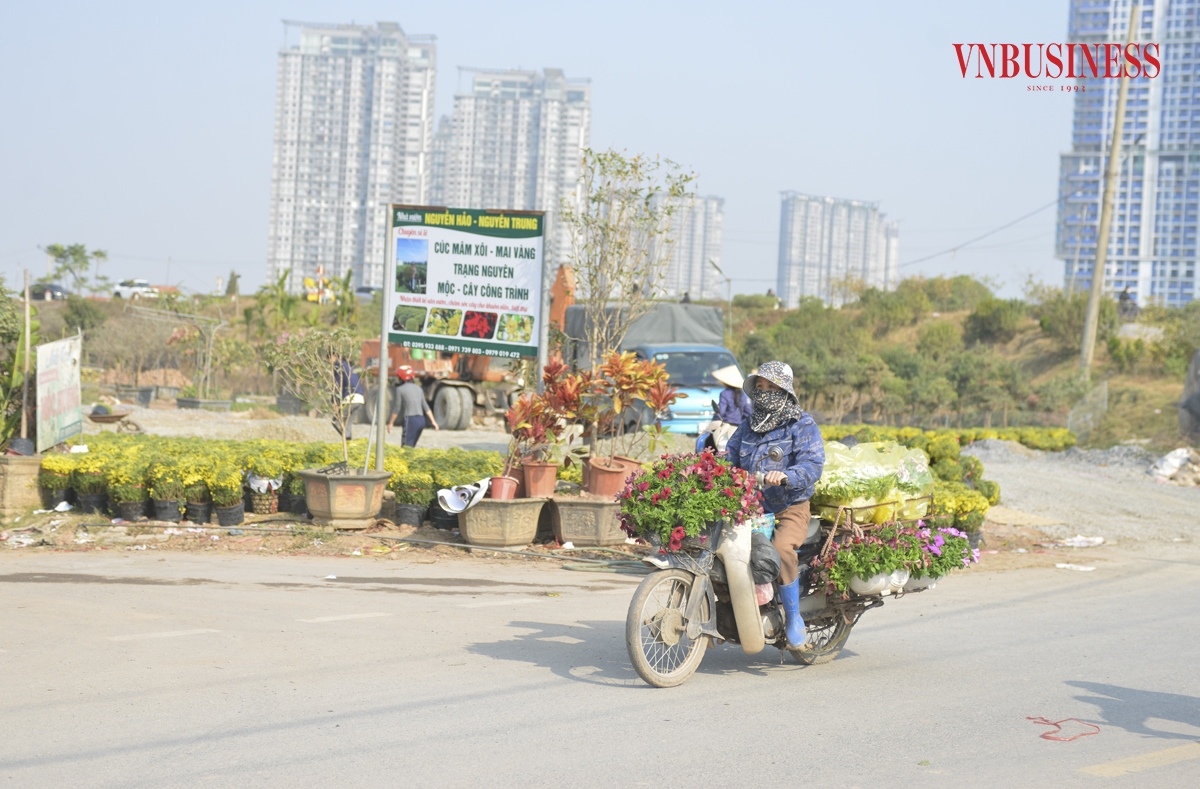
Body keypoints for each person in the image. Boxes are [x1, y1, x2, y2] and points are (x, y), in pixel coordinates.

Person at [724, 361, 825, 649]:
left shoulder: (801, 425)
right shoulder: (747, 426)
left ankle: (794, 616)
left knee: (780, 550)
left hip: (789, 507)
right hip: (749, 507)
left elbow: (813, 464)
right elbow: (728, 458)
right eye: (760, 387)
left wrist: (786, 476)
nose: (764, 393)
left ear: (784, 392)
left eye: (771, 388)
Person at [700, 365, 753, 451]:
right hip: (739, 426)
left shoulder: (724, 393)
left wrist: (716, 418)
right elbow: (748, 411)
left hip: (726, 425)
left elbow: (721, 412)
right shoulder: (742, 394)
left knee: (706, 439)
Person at [386, 366, 439, 447]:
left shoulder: (400, 389)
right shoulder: (419, 389)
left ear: (401, 378)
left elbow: (397, 408)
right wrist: (433, 421)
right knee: (412, 445)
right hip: (421, 420)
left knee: (406, 447)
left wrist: (391, 423)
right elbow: (426, 407)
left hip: (410, 420)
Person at [333, 357, 363, 440]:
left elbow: (337, 384)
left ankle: (346, 442)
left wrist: (335, 401)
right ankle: (349, 445)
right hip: (360, 399)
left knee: (335, 421)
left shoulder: (338, 365)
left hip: (351, 399)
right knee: (347, 426)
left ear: (333, 356)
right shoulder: (350, 366)